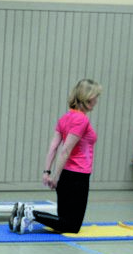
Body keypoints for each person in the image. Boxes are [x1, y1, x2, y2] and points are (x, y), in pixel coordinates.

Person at [10, 78, 103, 235]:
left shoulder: (65, 118)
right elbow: (65, 150)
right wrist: (55, 177)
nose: (97, 100)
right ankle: (30, 213)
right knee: (72, 227)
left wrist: (47, 172)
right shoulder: (81, 120)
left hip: (67, 177)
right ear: (88, 97)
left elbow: (53, 147)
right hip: (77, 178)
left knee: (63, 221)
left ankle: (26, 212)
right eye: (96, 96)